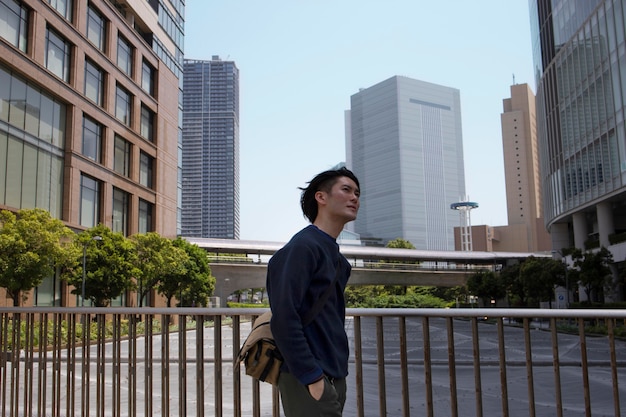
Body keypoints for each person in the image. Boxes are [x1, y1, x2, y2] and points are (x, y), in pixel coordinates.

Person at [266, 167, 360, 417]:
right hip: (310, 376)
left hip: (333, 374)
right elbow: (284, 318)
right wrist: (312, 376)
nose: (355, 198)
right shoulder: (303, 248)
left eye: (357, 193)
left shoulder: (336, 257)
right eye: (346, 190)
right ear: (321, 197)